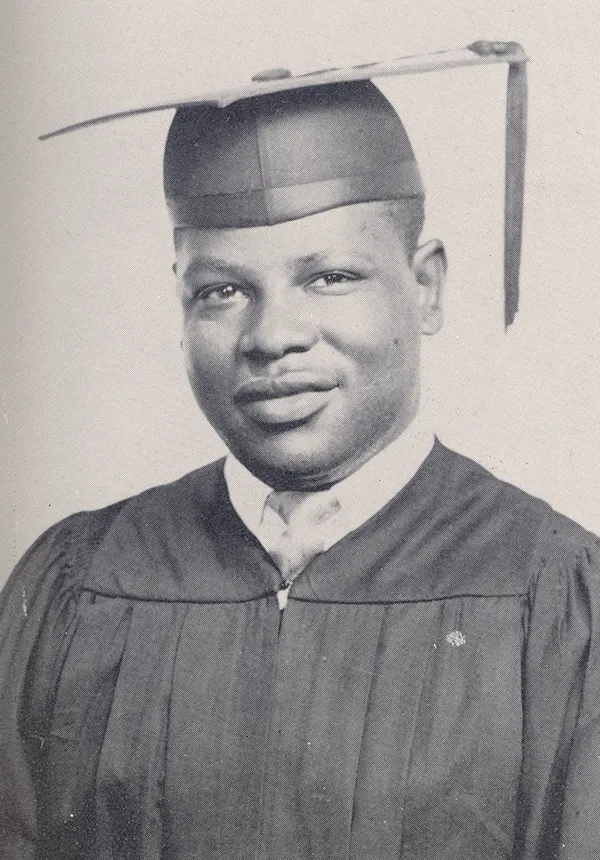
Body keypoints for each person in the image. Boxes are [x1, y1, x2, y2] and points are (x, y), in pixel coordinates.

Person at [1, 44, 599, 860]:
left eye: (330, 278)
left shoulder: (552, 597)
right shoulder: (77, 582)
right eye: (221, 291)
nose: (273, 336)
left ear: (425, 286)